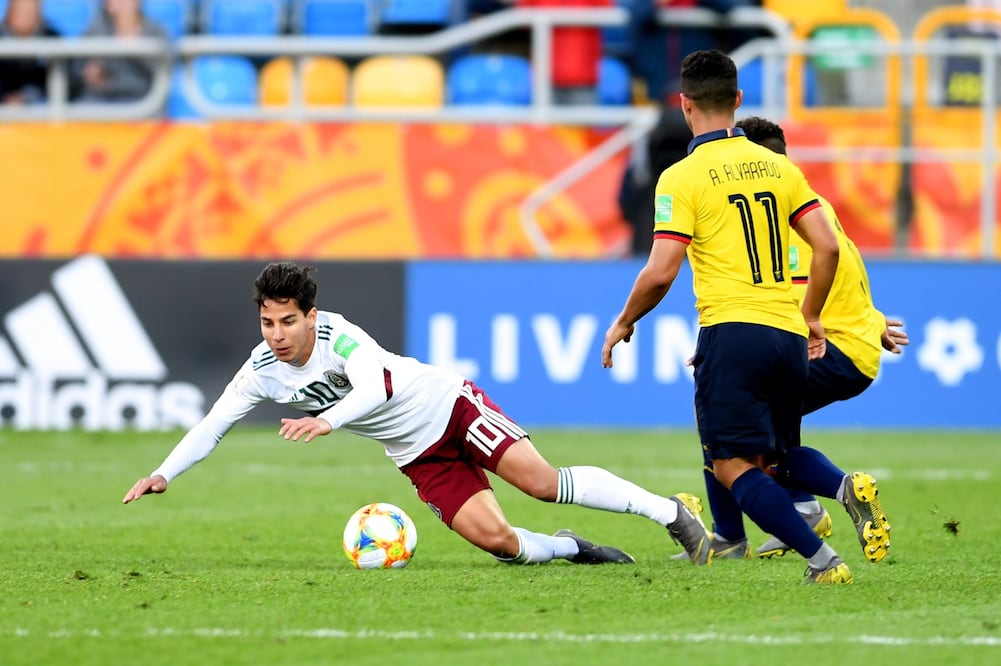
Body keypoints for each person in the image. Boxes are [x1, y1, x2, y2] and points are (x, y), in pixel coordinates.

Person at [124, 262, 715, 567]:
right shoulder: (262, 370)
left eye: (287, 321)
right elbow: (213, 424)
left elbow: (376, 389)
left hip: (448, 405)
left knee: (540, 483)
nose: (276, 335)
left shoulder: (341, 336)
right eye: (266, 322)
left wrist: (328, 421)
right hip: (414, 452)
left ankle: (672, 515)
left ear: (309, 315)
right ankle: (572, 550)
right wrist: (164, 473)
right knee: (500, 543)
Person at [602, 49, 887, 584]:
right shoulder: (782, 168)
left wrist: (624, 320)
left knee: (728, 464)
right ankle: (817, 505)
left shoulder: (682, 177)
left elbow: (661, 271)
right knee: (776, 457)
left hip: (733, 331)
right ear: (737, 100)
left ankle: (820, 560)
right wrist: (813, 316)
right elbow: (826, 247)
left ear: (684, 105)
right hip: (788, 337)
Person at [672, 115, 906, 561]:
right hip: (849, 344)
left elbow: (789, 298)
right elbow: (843, 264)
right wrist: (870, 319)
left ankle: (751, 528)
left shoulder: (777, 223)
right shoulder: (812, 205)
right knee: (766, 441)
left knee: (728, 427)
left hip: (824, 347)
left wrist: (732, 344)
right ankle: (802, 507)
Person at [73, 0, 167, 103]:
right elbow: (77, 66)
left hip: (143, 97)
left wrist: (134, 44)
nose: (119, 4)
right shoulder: (95, 30)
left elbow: (164, 71)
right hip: (101, 97)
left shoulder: (154, 30)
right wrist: (87, 72)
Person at [0, 0, 61, 105]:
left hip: (42, 110)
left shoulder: (52, 38)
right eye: (22, 12)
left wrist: (27, 97)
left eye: (31, 12)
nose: (27, 17)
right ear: (10, 13)